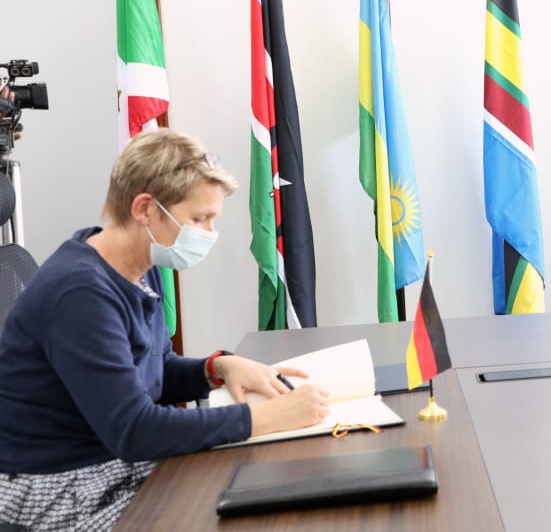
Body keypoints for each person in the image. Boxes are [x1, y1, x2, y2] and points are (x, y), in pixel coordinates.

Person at [0, 129, 331, 532]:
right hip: (54, 486)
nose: (208, 233)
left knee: (261, 488)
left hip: (109, 459)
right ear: (144, 209)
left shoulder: (140, 266)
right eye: (199, 218)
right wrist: (264, 417)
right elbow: (135, 430)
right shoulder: (81, 293)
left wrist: (218, 368)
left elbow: (153, 371)